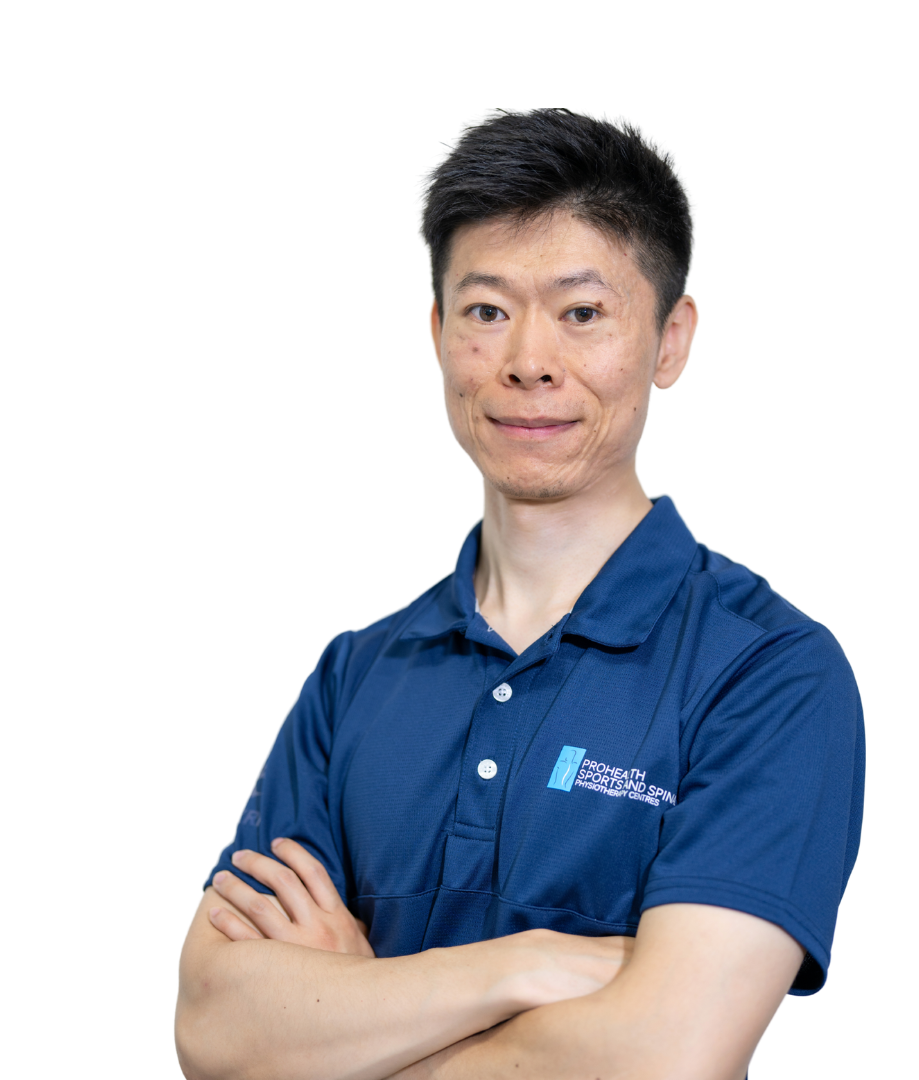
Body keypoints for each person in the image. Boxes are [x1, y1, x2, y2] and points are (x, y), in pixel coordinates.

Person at [175, 108, 865, 1080]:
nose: (527, 360)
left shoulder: (767, 674)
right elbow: (215, 1029)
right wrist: (531, 967)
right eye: (487, 311)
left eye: (582, 314)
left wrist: (353, 1024)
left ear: (671, 340)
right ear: (438, 332)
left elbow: (666, 1058)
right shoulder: (358, 677)